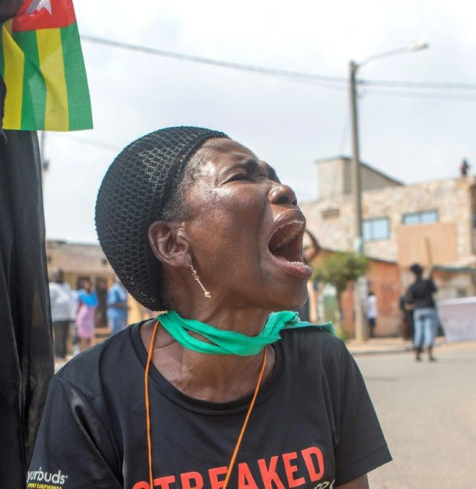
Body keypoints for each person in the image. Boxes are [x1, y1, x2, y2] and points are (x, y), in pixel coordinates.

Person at [28, 127, 391, 489]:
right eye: (242, 176)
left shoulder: (324, 362)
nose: (284, 190)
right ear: (173, 244)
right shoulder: (88, 396)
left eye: (273, 176)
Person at [405, 263, 438, 362]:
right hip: (429, 308)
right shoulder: (427, 282)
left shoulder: (413, 285)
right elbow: (435, 290)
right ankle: (429, 352)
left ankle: (417, 353)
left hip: (418, 309)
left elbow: (409, 299)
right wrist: (431, 278)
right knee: (429, 330)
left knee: (419, 331)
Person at [49, 268, 75, 360]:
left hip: (67, 316)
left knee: (65, 336)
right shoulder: (51, 286)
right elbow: (50, 302)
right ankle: (58, 355)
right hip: (57, 316)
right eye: (57, 274)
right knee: (59, 336)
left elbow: (70, 300)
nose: (59, 275)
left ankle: (63, 354)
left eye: (60, 274)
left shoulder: (66, 286)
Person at [76, 279, 98, 353]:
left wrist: (96, 316)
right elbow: (77, 305)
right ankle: (81, 351)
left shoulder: (93, 294)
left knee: (90, 335)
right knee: (81, 335)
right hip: (82, 317)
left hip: (90, 317)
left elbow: (95, 305)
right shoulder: (80, 294)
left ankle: (88, 351)